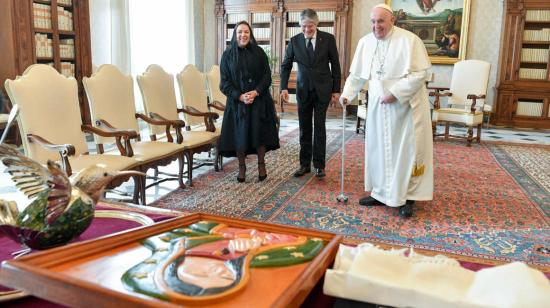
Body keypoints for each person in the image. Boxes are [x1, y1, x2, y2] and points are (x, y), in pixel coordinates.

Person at [339, 4, 433, 218]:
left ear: (392, 21)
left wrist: (396, 93)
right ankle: (380, 193)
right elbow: (356, 75)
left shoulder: (410, 41)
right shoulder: (365, 42)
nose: (376, 26)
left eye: (380, 21)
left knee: (405, 153)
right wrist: (347, 94)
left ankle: (406, 198)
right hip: (378, 108)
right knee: (378, 150)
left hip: (405, 109)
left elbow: (421, 74)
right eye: (373, 21)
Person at [280, 9, 341, 178]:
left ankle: (319, 165)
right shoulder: (294, 41)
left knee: (319, 127)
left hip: (323, 90)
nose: (307, 30)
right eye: (304, 27)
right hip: (303, 90)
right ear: (300, 25)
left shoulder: (328, 39)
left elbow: (335, 66)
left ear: (317, 24)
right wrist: (283, 87)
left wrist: (336, 90)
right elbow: (285, 66)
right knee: (304, 128)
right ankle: (304, 164)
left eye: (311, 26)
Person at [218, 21, 280, 183]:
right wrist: (240, 96)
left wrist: (256, 92)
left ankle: (261, 165)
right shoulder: (227, 55)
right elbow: (224, 83)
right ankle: (242, 167)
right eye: (240, 32)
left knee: (259, 134)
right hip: (237, 103)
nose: (243, 35)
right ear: (235, 35)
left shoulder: (259, 52)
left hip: (258, 100)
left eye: (246, 32)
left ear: (250, 34)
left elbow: (267, 76)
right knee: (240, 136)